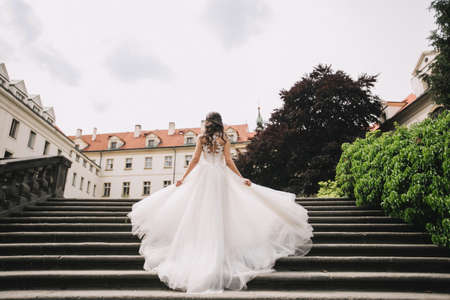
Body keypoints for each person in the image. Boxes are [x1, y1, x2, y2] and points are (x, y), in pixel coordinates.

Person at [127, 112, 313, 294]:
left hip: (203, 178)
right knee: (222, 214)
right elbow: (229, 161)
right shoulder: (224, 138)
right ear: (220, 123)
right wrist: (241, 178)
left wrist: (183, 178)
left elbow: (194, 160)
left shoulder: (201, 138)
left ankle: (200, 249)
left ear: (207, 123)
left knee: (199, 214)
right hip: (220, 178)